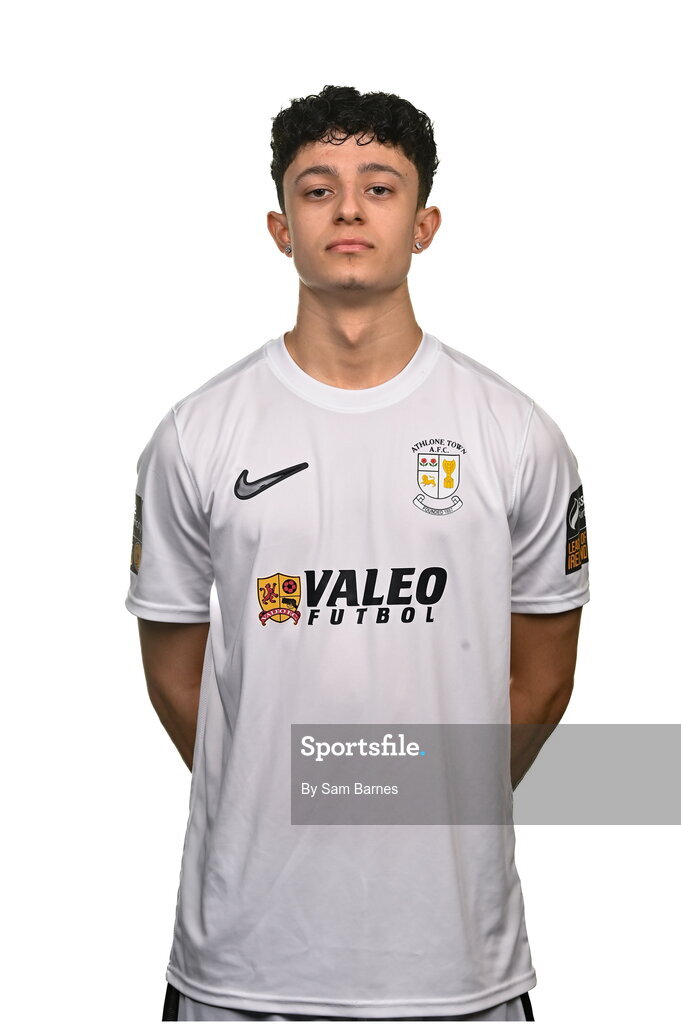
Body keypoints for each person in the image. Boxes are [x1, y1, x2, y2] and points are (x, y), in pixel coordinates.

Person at [126, 84, 590, 1022]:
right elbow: (178, 681)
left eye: (378, 187)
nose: (346, 209)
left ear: (423, 226)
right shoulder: (195, 434)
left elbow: (541, 683)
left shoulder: (515, 435)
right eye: (317, 189)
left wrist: (406, 798)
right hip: (242, 967)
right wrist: (269, 792)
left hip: (455, 969)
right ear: (279, 228)